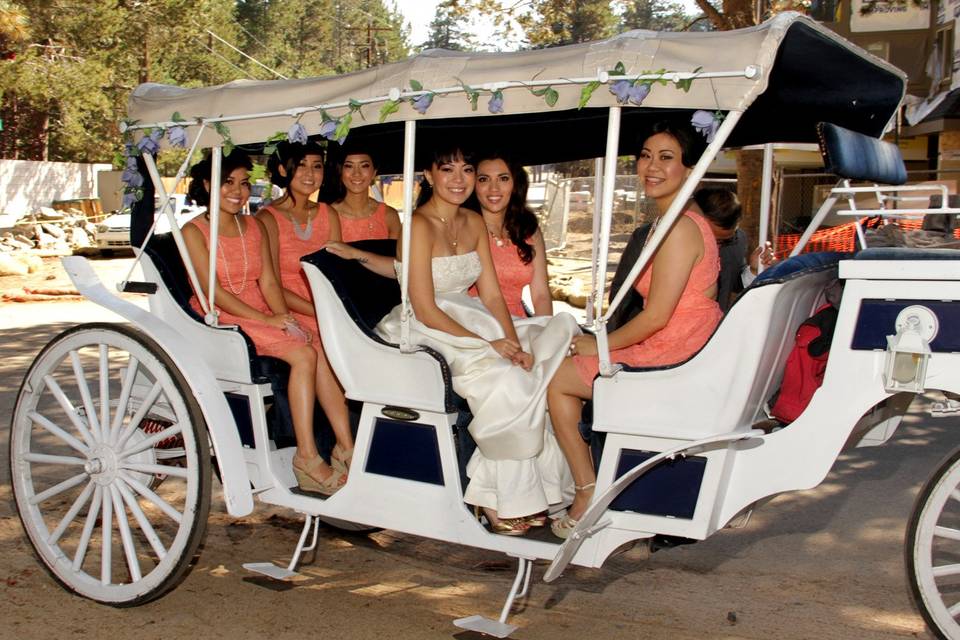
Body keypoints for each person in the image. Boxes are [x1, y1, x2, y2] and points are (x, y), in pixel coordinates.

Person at [375, 145, 578, 535]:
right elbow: (423, 303)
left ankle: (534, 491)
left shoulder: (471, 222)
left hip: (471, 316)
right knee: (505, 382)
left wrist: (509, 341)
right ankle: (492, 498)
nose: (458, 179)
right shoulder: (416, 225)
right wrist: (488, 345)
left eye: (467, 170)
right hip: (425, 323)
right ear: (429, 176)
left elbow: (491, 295)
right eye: (447, 169)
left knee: (537, 354)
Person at [547, 120, 723, 538]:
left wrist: (597, 345)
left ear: (690, 169)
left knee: (557, 379)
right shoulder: (675, 221)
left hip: (673, 348)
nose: (651, 166)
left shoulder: (680, 228)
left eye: (666, 158)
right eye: (645, 156)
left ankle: (587, 489)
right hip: (678, 339)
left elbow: (656, 317)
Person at [182, 151, 345, 495]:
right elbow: (214, 293)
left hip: (258, 307)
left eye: (244, 183)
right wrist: (268, 319)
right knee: (303, 355)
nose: (238, 191)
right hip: (221, 314)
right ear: (209, 184)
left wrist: (283, 318)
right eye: (228, 183)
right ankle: (307, 456)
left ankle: (345, 445)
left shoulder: (254, 224)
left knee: (313, 342)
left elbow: (269, 282)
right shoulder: (193, 232)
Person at [257, 141, 356, 478]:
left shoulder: (329, 214)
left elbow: (339, 267)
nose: (310, 174)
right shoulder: (267, 218)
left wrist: (335, 306)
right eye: (301, 166)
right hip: (289, 304)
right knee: (321, 345)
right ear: (284, 170)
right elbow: (269, 281)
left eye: (317, 166)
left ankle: (348, 445)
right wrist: (318, 310)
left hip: (327, 301)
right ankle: (332, 448)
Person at [464, 152, 552, 317]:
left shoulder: (528, 229)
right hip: (476, 324)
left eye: (503, 178)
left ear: (515, 184)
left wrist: (546, 330)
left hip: (519, 323)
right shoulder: (464, 228)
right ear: (473, 185)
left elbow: (541, 295)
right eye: (484, 179)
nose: (494, 188)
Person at [323, 142, 401, 277]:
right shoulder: (327, 215)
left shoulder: (389, 215)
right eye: (349, 166)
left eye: (364, 166)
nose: (357, 173)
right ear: (340, 171)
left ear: (374, 172)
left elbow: (399, 265)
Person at [694, 186, 775, 312]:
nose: (715, 246)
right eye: (709, 237)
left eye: (724, 240)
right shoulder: (665, 242)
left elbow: (732, 282)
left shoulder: (737, 241)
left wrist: (753, 270)